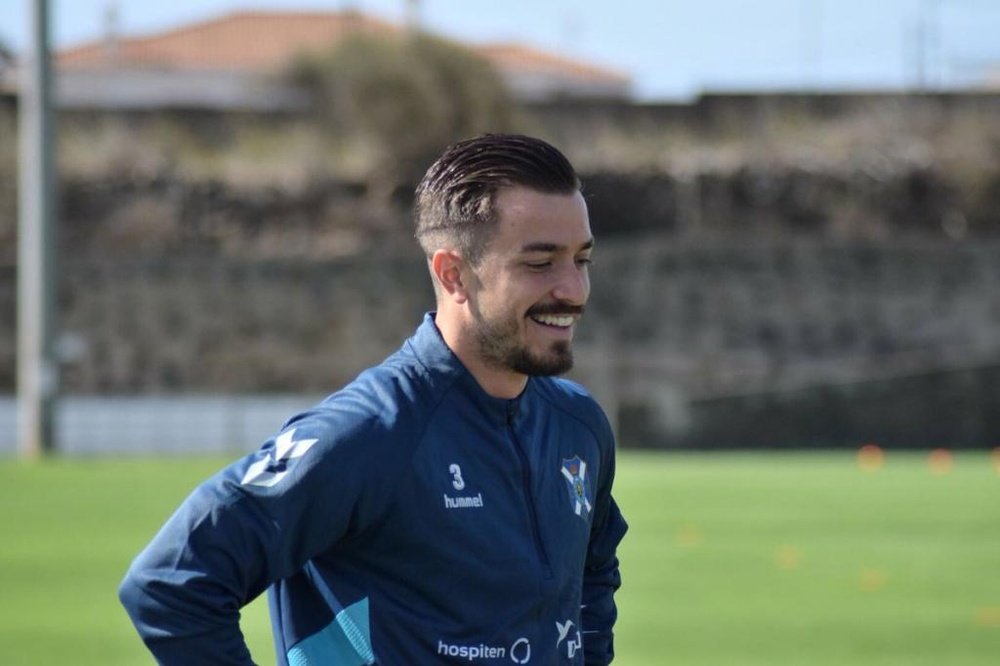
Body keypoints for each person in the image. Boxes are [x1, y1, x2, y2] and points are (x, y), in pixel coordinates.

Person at [119, 133, 627, 665]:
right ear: (454, 274)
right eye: (540, 263)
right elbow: (169, 585)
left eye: (582, 259)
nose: (574, 289)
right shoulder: (369, 432)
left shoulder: (578, 425)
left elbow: (593, 576)